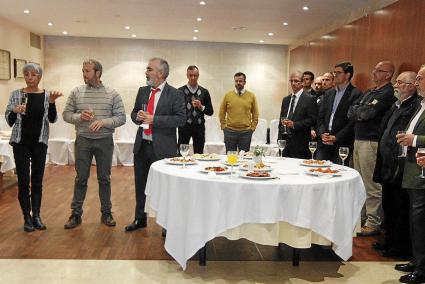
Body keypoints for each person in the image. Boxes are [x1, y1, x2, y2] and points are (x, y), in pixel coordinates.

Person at [63, 59, 126, 229]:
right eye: (83, 71)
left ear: (98, 72)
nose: (84, 74)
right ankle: (76, 214)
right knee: (80, 178)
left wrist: (104, 122)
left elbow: (121, 117)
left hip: (105, 141)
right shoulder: (76, 92)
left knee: (104, 178)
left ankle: (106, 213)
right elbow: (66, 114)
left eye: (87, 71)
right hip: (83, 140)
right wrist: (79, 117)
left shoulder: (112, 93)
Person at [125, 57, 186, 232]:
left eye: (149, 69)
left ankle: (166, 224)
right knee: (140, 184)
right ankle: (140, 219)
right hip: (142, 146)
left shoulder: (175, 94)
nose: (146, 72)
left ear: (160, 73)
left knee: (166, 187)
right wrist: (137, 116)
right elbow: (135, 112)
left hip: (163, 149)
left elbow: (180, 119)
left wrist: (155, 119)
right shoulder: (142, 91)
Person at [5, 63, 62, 232]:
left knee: (37, 181)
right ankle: (26, 217)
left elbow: (52, 119)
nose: (30, 77)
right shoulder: (16, 94)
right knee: (23, 181)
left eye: (33, 74)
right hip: (20, 143)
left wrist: (51, 103)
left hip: (39, 143)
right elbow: (9, 121)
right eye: (27, 74)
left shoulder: (46, 95)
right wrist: (14, 111)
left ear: (39, 77)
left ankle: (36, 215)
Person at [348, 61, 396, 236]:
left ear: (388, 74)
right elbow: (351, 112)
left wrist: (361, 110)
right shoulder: (370, 92)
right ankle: (361, 217)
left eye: (378, 70)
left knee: (371, 184)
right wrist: (360, 110)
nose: (373, 72)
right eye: (374, 69)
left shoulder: (388, 93)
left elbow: (366, 114)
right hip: (358, 139)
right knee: (359, 182)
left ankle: (374, 221)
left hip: (371, 141)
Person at [373, 71, 418, 259]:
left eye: (400, 82)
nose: (396, 85)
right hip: (387, 163)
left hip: (400, 165)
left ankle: (400, 247)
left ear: (411, 86)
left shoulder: (413, 106)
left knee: (400, 208)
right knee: (388, 206)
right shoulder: (396, 105)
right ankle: (389, 241)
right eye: (396, 82)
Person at [396, 65, 425, 284]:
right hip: (413, 169)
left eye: (421, 78)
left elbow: (418, 137)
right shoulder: (421, 105)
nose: (417, 83)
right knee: (415, 220)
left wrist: (413, 140)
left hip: (422, 172)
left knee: (420, 221)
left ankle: (422, 269)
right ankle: (417, 261)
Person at [316, 62, 362, 163]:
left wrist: (336, 137)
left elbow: (352, 122)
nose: (334, 75)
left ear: (347, 75)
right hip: (324, 141)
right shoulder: (328, 93)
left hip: (342, 143)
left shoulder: (356, 94)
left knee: (339, 174)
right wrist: (322, 133)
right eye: (334, 72)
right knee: (318, 171)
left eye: (338, 72)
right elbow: (320, 117)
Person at [278, 71, 317, 159]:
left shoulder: (309, 99)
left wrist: (294, 124)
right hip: (285, 141)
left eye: (296, 81)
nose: (293, 83)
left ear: (303, 82)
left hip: (300, 142)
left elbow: (313, 119)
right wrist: (279, 139)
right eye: (291, 81)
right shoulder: (286, 99)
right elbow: (281, 120)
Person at [219, 72, 259, 152]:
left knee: (244, 158)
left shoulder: (251, 96)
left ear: (244, 82)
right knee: (230, 158)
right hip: (229, 131)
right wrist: (224, 127)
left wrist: (253, 128)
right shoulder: (228, 95)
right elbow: (221, 112)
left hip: (246, 132)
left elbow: (255, 113)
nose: (238, 83)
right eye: (236, 81)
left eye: (240, 81)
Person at [178, 65, 213, 154]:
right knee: (181, 153)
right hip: (184, 127)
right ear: (187, 75)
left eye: (195, 75)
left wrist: (201, 107)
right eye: (190, 75)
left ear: (198, 75)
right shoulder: (179, 91)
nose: (193, 78)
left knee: (199, 154)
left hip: (199, 127)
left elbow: (210, 111)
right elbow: (175, 110)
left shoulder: (204, 92)